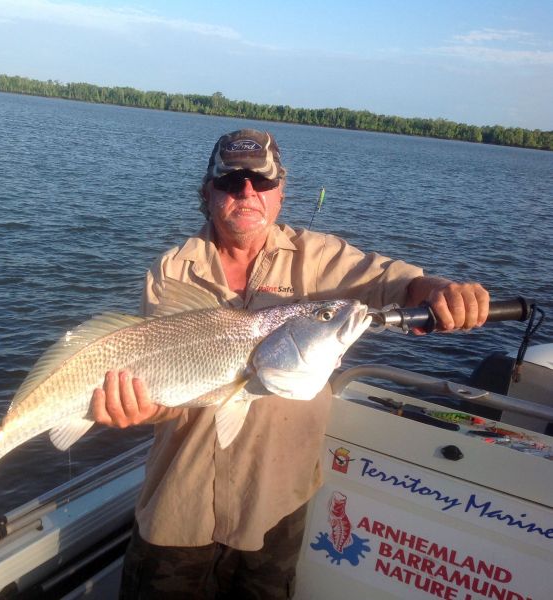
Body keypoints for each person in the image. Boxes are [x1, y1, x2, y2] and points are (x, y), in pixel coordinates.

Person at [90, 129, 489, 599]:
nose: (246, 193)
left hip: (274, 504)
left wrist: (441, 291)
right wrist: (140, 408)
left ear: (281, 193)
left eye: (261, 183)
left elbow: (398, 284)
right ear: (208, 191)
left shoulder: (321, 258)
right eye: (232, 181)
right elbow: (166, 393)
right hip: (180, 502)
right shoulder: (173, 270)